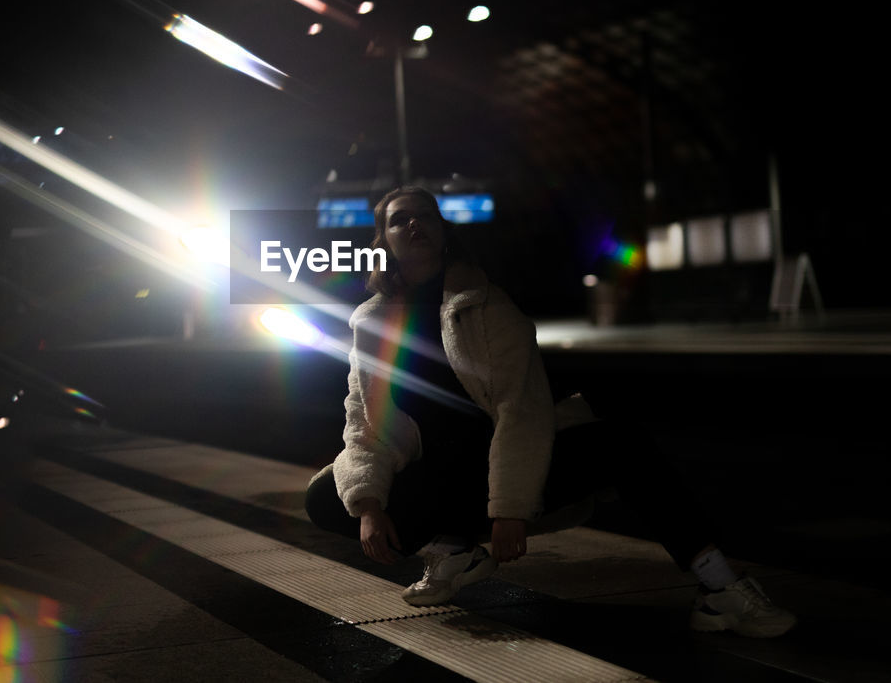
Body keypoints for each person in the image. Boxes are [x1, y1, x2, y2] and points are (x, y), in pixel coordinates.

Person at [304, 187, 795, 637]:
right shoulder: (370, 323)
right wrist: (368, 506)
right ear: (383, 240)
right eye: (399, 220)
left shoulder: (486, 307)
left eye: (425, 216)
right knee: (328, 496)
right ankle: (450, 548)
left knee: (623, 444)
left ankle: (720, 589)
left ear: (442, 229)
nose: (414, 226)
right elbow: (363, 423)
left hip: (510, 474)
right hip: (440, 483)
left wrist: (511, 510)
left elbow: (522, 410)